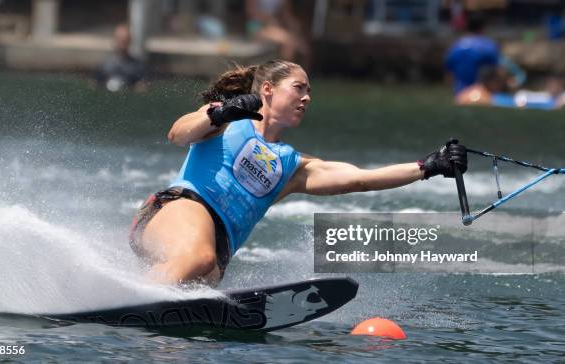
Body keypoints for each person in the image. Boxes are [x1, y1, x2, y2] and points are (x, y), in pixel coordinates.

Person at [129, 60, 468, 287]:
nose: (306, 98)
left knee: (204, 273)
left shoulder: (293, 167)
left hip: (216, 251)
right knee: (198, 256)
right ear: (268, 90)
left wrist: (428, 167)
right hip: (176, 210)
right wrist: (219, 114)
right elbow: (178, 134)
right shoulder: (227, 120)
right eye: (299, 88)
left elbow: (361, 178)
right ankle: (138, 302)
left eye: (309, 93)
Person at [445, 12, 500, 95]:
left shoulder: (456, 45)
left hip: (459, 93)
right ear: (483, 28)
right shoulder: (488, 45)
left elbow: (448, 71)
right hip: (481, 93)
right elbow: (496, 70)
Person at [245, 0, 311, 68]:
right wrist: (270, 20)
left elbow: (285, 14)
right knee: (288, 43)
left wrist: (294, 25)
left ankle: (302, 74)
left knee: (304, 47)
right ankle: (282, 73)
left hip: (276, 27)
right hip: (257, 26)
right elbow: (252, 12)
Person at [94, 24, 147, 92]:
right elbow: (94, 85)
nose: (123, 43)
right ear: (114, 39)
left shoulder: (138, 66)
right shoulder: (102, 65)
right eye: (120, 39)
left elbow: (142, 87)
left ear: (130, 41)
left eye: (125, 40)